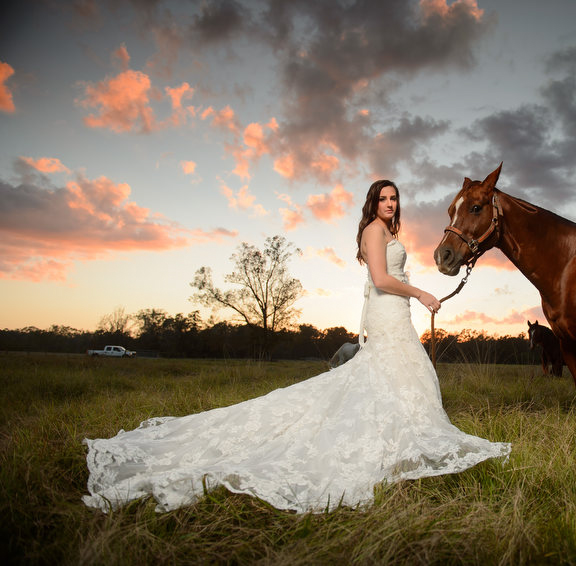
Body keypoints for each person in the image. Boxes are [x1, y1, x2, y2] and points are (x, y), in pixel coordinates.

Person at [83, 180, 511, 514]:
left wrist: (405, 303)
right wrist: (420, 293)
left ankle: (399, 439)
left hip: (394, 314)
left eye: (394, 198)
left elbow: (380, 284)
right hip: (391, 310)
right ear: (372, 203)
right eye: (383, 198)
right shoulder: (373, 231)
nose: (390, 203)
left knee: (400, 377)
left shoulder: (386, 231)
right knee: (392, 373)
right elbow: (380, 280)